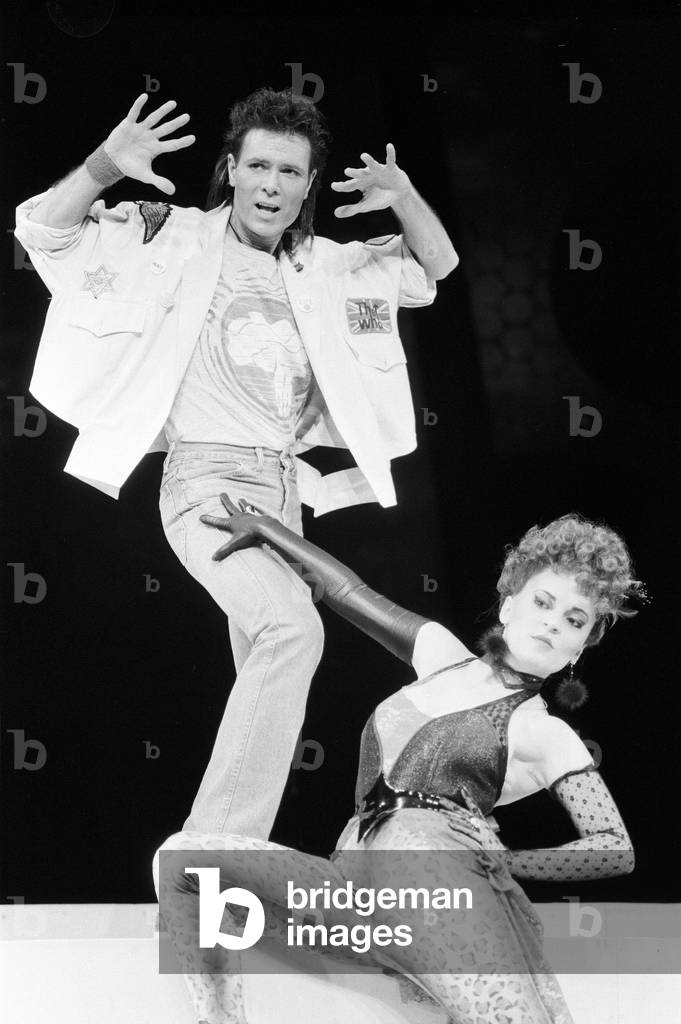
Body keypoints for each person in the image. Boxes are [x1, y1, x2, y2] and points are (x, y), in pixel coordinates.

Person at [14, 88, 458, 839]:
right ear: (230, 168)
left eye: (290, 171)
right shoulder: (171, 235)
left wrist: (404, 194)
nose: (270, 185)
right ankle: (215, 842)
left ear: (308, 184)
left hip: (283, 495)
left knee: (270, 664)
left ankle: (225, 872)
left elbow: (433, 267)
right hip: (208, 483)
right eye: (257, 166)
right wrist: (102, 167)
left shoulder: (325, 266)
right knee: (296, 633)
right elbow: (41, 230)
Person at [153, 506, 642, 1024]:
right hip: (355, 894)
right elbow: (350, 592)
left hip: (443, 896)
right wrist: (271, 532)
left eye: (574, 620)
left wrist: (508, 863)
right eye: (543, 602)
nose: (552, 622)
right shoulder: (440, 655)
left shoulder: (546, 732)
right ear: (508, 605)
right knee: (184, 860)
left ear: (578, 649)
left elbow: (615, 846)